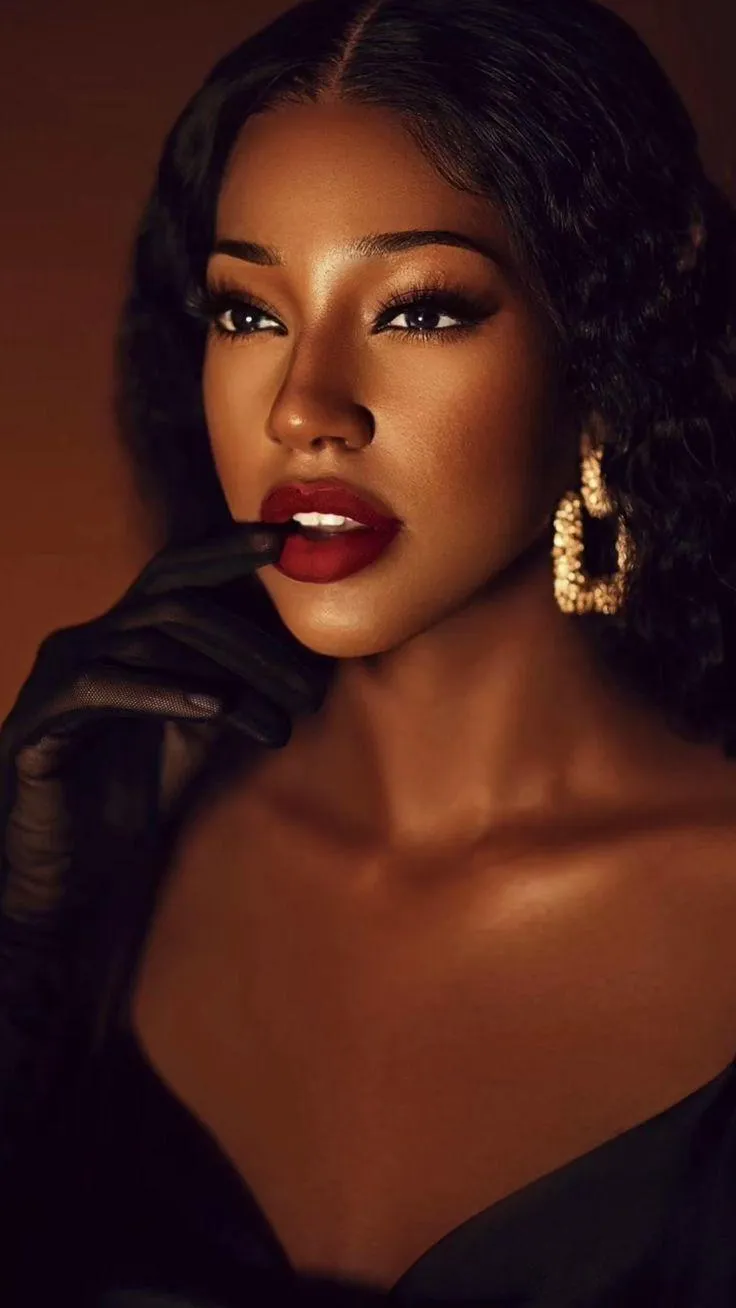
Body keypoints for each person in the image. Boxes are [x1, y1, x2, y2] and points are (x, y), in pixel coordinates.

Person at [2, 0, 736, 1303]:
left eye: (421, 311)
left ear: (609, 345)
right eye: (248, 314)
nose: (304, 409)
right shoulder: (111, 841)